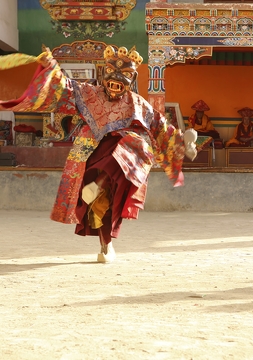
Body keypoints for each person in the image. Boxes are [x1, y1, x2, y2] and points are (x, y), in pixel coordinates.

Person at [0, 45, 197, 263]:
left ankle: (104, 223)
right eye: (112, 77)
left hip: (124, 159)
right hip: (92, 152)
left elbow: (160, 126)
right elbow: (64, 87)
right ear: (104, 75)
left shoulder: (136, 102)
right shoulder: (89, 93)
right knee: (100, 203)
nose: (115, 83)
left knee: (134, 151)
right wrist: (51, 67)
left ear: (130, 80)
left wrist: (181, 143)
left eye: (122, 79)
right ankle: (105, 237)